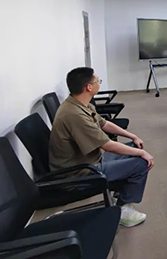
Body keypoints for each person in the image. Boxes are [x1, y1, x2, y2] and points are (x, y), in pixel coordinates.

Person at [49, 67, 154, 228]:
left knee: (134, 148)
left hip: (91, 159)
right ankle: (122, 209)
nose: (99, 83)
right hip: (80, 173)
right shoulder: (74, 115)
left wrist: (132, 136)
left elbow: (104, 124)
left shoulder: (79, 104)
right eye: (98, 81)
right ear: (88, 87)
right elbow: (107, 145)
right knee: (141, 163)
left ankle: (120, 191)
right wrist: (142, 153)